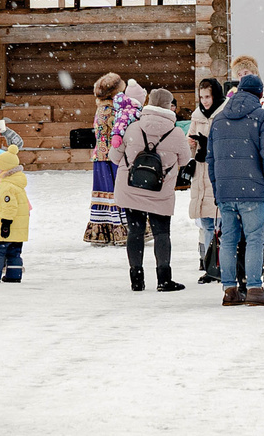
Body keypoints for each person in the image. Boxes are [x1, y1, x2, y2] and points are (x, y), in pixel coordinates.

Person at [207, 73, 264, 306]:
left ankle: (230, 290)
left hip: (226, 189)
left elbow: (211, 160)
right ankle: (254, 288)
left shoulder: (219, 119)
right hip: (253, 188)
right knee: (254, 239)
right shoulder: (262, 117)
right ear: (259, 94)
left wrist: (218, 189)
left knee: (228, 240)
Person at [113, 86, 192, 292]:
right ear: (169, 106)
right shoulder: (175, 132)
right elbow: (185, 160)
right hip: (160, 190)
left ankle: (136, 280)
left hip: (131, 188)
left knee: (135, 232)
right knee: (162, 233)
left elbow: (114, 157)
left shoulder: (132, 127)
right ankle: (164, 280)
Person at [83, 72, 134, 248]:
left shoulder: (100, 109)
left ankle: (103, 230)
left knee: (105, 193)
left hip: (100, 157)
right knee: (116, 193)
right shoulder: (113, 110)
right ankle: (120, 229)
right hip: (112, 157)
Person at [187, 78, 223, 282]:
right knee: (207, 222)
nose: (205, 101)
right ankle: (210, 265)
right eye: (201, 97)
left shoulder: (224, 113)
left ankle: (222, 262)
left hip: (217, 171)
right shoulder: (197, 116)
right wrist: (192, 143)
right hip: (201, 173)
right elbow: (190, 145)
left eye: (208, 97)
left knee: (223, 222)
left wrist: (208, 144)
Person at [0, 125, 31, 283]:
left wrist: (5, 223)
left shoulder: (5, 185)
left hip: (7, 225)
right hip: (18, 226)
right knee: (14, 252)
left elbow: (8, 206)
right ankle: (14, 275)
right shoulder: (18, 182)